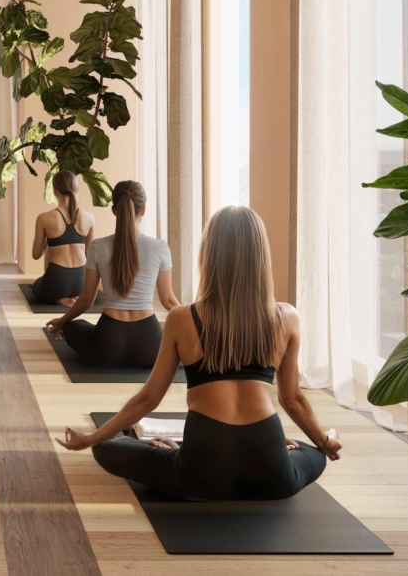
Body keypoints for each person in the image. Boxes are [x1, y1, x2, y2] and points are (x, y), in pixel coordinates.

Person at [58, 206, 342, 501]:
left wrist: (91, 438)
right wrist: (326, 441)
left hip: (199, 473)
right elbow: (292, 400)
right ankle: (281, 450)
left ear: (208, 255)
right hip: (272, 473)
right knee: (314, 452)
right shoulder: (287, 316)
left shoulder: (183, 318)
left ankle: (178, 453)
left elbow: (148, 399)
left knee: (106, 447)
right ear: (261, 256)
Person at [47, 181, 178, 368]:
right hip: (150, 347)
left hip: (107, 345)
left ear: (114, 210)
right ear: (143, 210)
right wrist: (196, 325)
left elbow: (85, 300)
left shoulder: (98, 247)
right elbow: (168, 301)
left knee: (73, 327)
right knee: (178, 342)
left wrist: (61, 321)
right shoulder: (160, 248)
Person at [30, 170, 95, 306]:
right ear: (76, 189)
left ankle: (59, 298)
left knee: (37, 284)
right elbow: (90, 255)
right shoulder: (89, 218)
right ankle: (75, 295)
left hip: (57, 280)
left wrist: (49, 240)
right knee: (70, 283)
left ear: (54, 190)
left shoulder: (44, 218)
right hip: (81, 281)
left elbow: (36, 255)